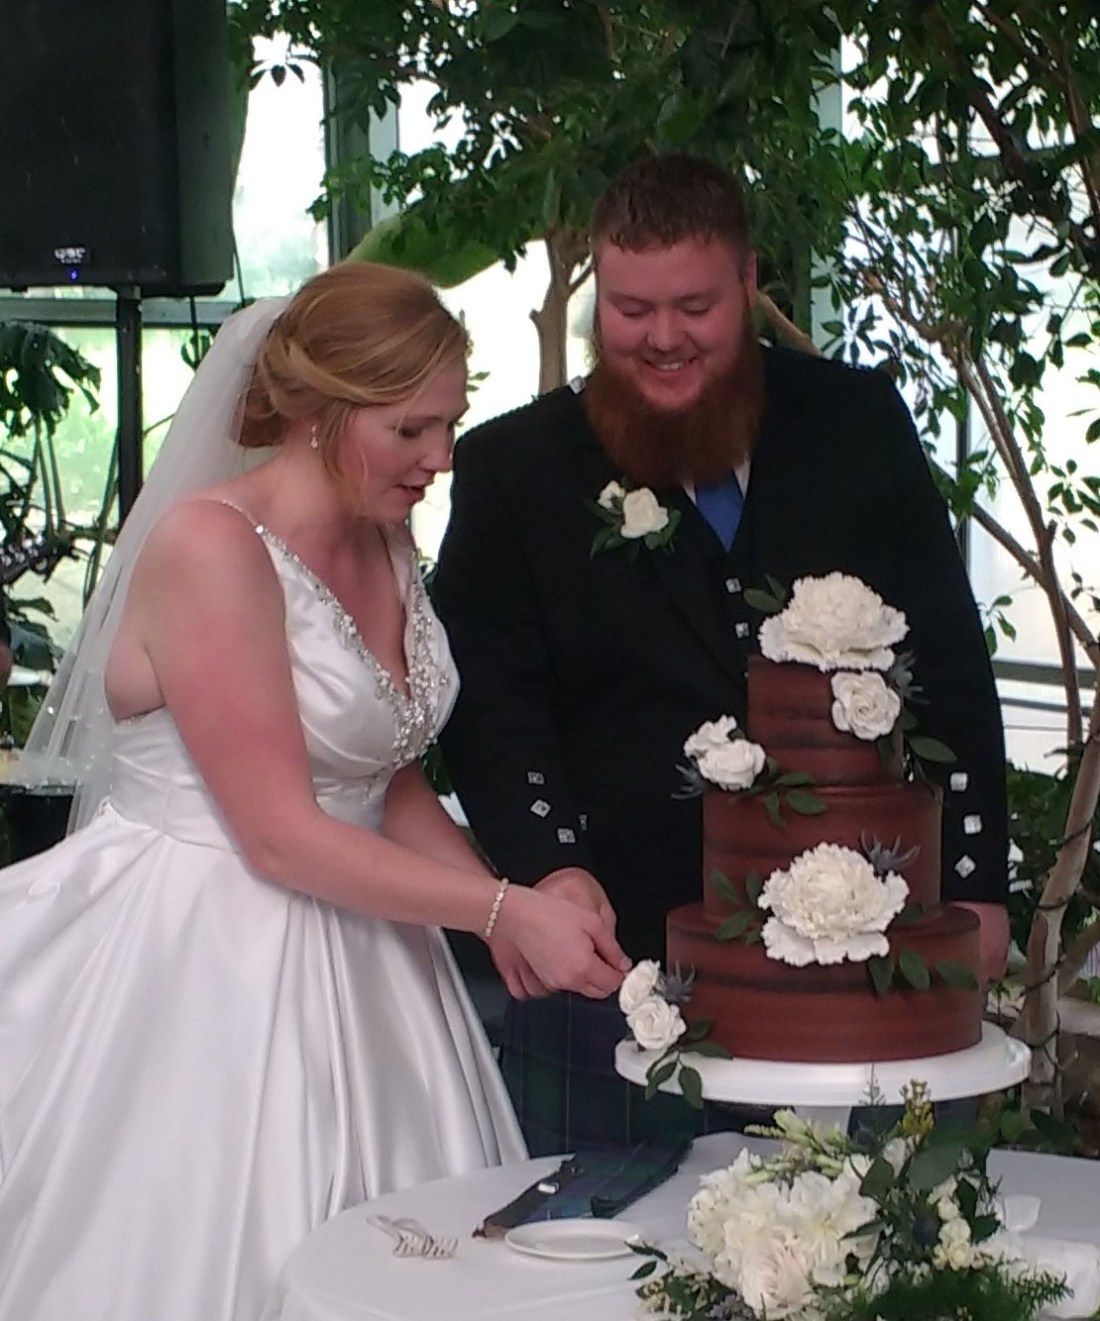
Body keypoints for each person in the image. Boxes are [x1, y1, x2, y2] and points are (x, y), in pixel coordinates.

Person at [0, 262, 629, 1321]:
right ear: (321, 411)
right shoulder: (211, 545)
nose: (439, 459)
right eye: (411, 430)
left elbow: (383, 780)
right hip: (205, 957)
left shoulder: (382, 534)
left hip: (376, 952)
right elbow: (282, 835)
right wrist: (497, 909)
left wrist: (510, 910)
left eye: (449, 425)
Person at [432, 153, 1011, 1155]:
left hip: (866, 949)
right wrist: (547, 870)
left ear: (748, 286)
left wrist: (971, 884)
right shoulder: (510, 466)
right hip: (617, 955)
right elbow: (490, 701)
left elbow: (946, 661)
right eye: (630, 309)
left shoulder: (853, 421)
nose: (660, 339)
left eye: (693, 305)